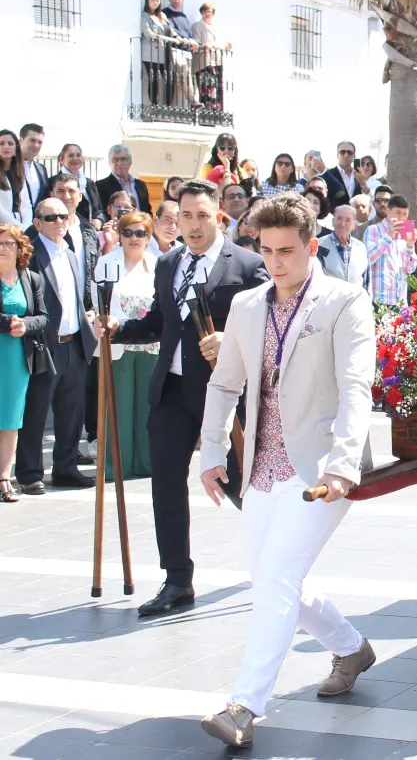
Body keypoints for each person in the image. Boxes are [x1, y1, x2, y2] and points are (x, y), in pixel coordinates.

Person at [197, 193, 376, 748]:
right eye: (266, 250)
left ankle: (244, 706)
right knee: (277, 581)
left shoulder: (346, 301)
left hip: (322, 467)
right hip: (260, 469)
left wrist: (345, 465)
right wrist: (209, 453)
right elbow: (225, 383)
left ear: (311, 246)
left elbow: (355, 387)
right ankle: (350, 648)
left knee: (276, 578)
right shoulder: (247, 306)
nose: (276, 262)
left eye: (287, 252)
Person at [97, 179, 269, 617]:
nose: (193, 226)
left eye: (202, 216)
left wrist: (230, 339)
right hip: (171, 390)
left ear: (219, 217)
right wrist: (122, 329)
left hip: (224, 393)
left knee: (242, 483)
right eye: (185, 216)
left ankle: (278, 559)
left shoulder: (248, 266)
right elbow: (162, 320)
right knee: (166, 486)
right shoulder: (169, 262)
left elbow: (272, 325)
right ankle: (177, 580)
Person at [15, 197, 96, 493]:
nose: (59, 222)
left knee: (72, 413)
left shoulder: (71, 253)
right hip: (44, 345)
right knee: (36, 412)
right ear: (37, 223)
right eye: (51, 218)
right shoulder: (31, 255)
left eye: (63, 216)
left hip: (74, 343)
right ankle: (29, 472)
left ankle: (65, 468)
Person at [92, 211, 160, 481]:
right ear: (119, 235)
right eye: (128, 232)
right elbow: (98, 304)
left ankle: (145, 462)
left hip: (149, 344)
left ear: (148, 236)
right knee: (118, 406)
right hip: (116, 344)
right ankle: (116, 464)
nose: (134, 238)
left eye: (140, 233)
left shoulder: (157, 265)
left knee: (147, 405)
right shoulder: (106, 264)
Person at [0, 224, 48, 502]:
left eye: (10, 243)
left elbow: (43, 317)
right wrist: (8, 323)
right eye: (0, 243)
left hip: (18, 357)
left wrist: (25, 325)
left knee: (10, 419)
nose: (4, 248)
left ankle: (5, 478)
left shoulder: (30, 279)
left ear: (20, 249)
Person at [364, 193, 415, 312]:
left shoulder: (405, 235)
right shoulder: (373, 230)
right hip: (379, 299)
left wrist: (410, 246)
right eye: (398, 212)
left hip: (400, 302)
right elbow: (368, 259)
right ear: (387, 210)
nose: (401, 217)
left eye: (405, 214)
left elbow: (410, 269)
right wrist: (389, 236)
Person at [141, 0, 188, 108]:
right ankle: (153, 106)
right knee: (154, 78)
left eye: (157, 0)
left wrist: (177, 37)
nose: (155, 2)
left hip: (164, 52)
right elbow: (148, 33)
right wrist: (163, 37)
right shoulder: (144, 16)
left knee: (168, 78)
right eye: (152, 0)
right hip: (151, 53)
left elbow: (170, 30)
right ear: (147, 0)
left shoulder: (162, 15)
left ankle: (167, 105)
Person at [162, 0, 201, 110]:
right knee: (182, 74)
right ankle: (193, 101)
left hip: (186, 51)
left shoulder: (183, 16)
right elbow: (172, 30)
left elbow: (189, 33)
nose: (176, 0)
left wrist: (195, 42)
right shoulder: (165, 13)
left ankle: (182, 108)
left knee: (188, 79)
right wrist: (187, 40)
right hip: (174, 49)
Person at [190, 2, 231, 112]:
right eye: (205, 11)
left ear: (213, 13)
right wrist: (209, 45)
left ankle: (216, 114)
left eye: (210, 11)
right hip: (204, 62)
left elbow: (224, 44)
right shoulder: (197, 26)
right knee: (206, 89)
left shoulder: (216, 27)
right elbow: (198, 42)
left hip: (216, 62)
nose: (207, 14)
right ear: (201, 13)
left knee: (216, 89)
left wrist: (214, 45)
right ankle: (205, 114)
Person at [52, 143, 104, 225]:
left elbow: (99, 210)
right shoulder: (53, 182)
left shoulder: (89, 183)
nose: (75, 158)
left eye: (78, 155)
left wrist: (99, 220)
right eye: (71, 155)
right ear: (61, 160)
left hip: (90, 231)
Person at [317, 205, 368, 289]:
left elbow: (366, 279)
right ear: (333, 221)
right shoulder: (320, 245)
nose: (342, 224)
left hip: (355, 299)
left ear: (354, 225)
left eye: (348, 220)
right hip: (328, 299)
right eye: (339, 218)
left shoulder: (361, 248)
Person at [95, 144, 151, 215]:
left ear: (130, 161)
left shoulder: (141, 185)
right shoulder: (100, 186)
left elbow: (147, 211)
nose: (119, 163)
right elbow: (101, 213)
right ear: (109, 162)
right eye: (115, 159)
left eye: (123, 159)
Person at [0, 129, 31, 229]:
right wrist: (19, 228)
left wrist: (27, 226)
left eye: (10, 144)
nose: (6, 147)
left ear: (16, 149)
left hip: (20, 227)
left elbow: (26, 205)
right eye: (1, 143)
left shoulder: (19, 173)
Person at [321, 142, 359, 211]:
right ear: (337, 155)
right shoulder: (328, 175)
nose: (346, 155)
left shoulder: (359, 176)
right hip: (334, 218)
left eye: (349, 152)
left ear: (354, 156)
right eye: (342, 152)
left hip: (356, 219)